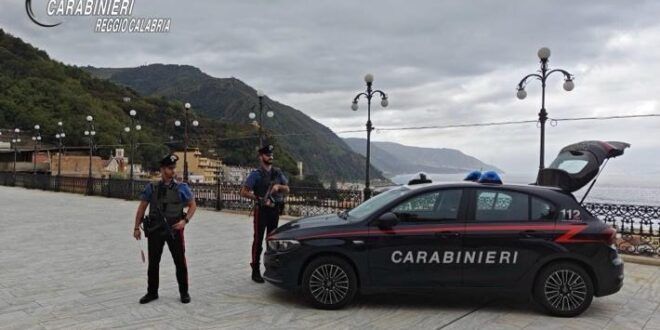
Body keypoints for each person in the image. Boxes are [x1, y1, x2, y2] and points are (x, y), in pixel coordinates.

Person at [133, 154, 197, 304]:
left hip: (174, 229)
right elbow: (142, 207)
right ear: (162, 169)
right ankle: (152, 292)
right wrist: (136, 227)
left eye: (174, 168)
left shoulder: (182, 188)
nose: (173, 171)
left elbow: (193, 205)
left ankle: (184, 292)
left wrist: (185, 221)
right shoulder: (152, 187)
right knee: (153, 263)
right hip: (155, 229)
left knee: (180, 261)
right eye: (169, 168)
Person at [240, 145, 289, 283]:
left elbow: (287, 189)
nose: (270, 157)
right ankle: (255, 269)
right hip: (261, 210)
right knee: (258, 240)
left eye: (271, 154)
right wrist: (259, 199)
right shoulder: (256, 174)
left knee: (272, 240)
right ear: (261, 157)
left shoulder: (277, 172)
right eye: (267, 155)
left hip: (274, 210)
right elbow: (243, 192)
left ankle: (271, 268)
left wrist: (278, 187)